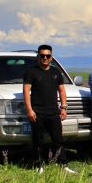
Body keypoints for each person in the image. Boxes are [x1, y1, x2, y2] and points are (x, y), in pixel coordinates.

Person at [23, 44, 76, 173]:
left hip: (53, 112)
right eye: (42, 56)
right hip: (37, 112)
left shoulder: (56, 72)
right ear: (38, 57)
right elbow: (26, 91)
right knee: (38, 140)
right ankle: (38, 165)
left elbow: (62, 91)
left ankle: (63, 164)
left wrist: (63, 107)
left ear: (51, 57)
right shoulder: (31, 72)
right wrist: (29, 110)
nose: (45, 58)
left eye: (47, 56)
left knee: (58, 140)